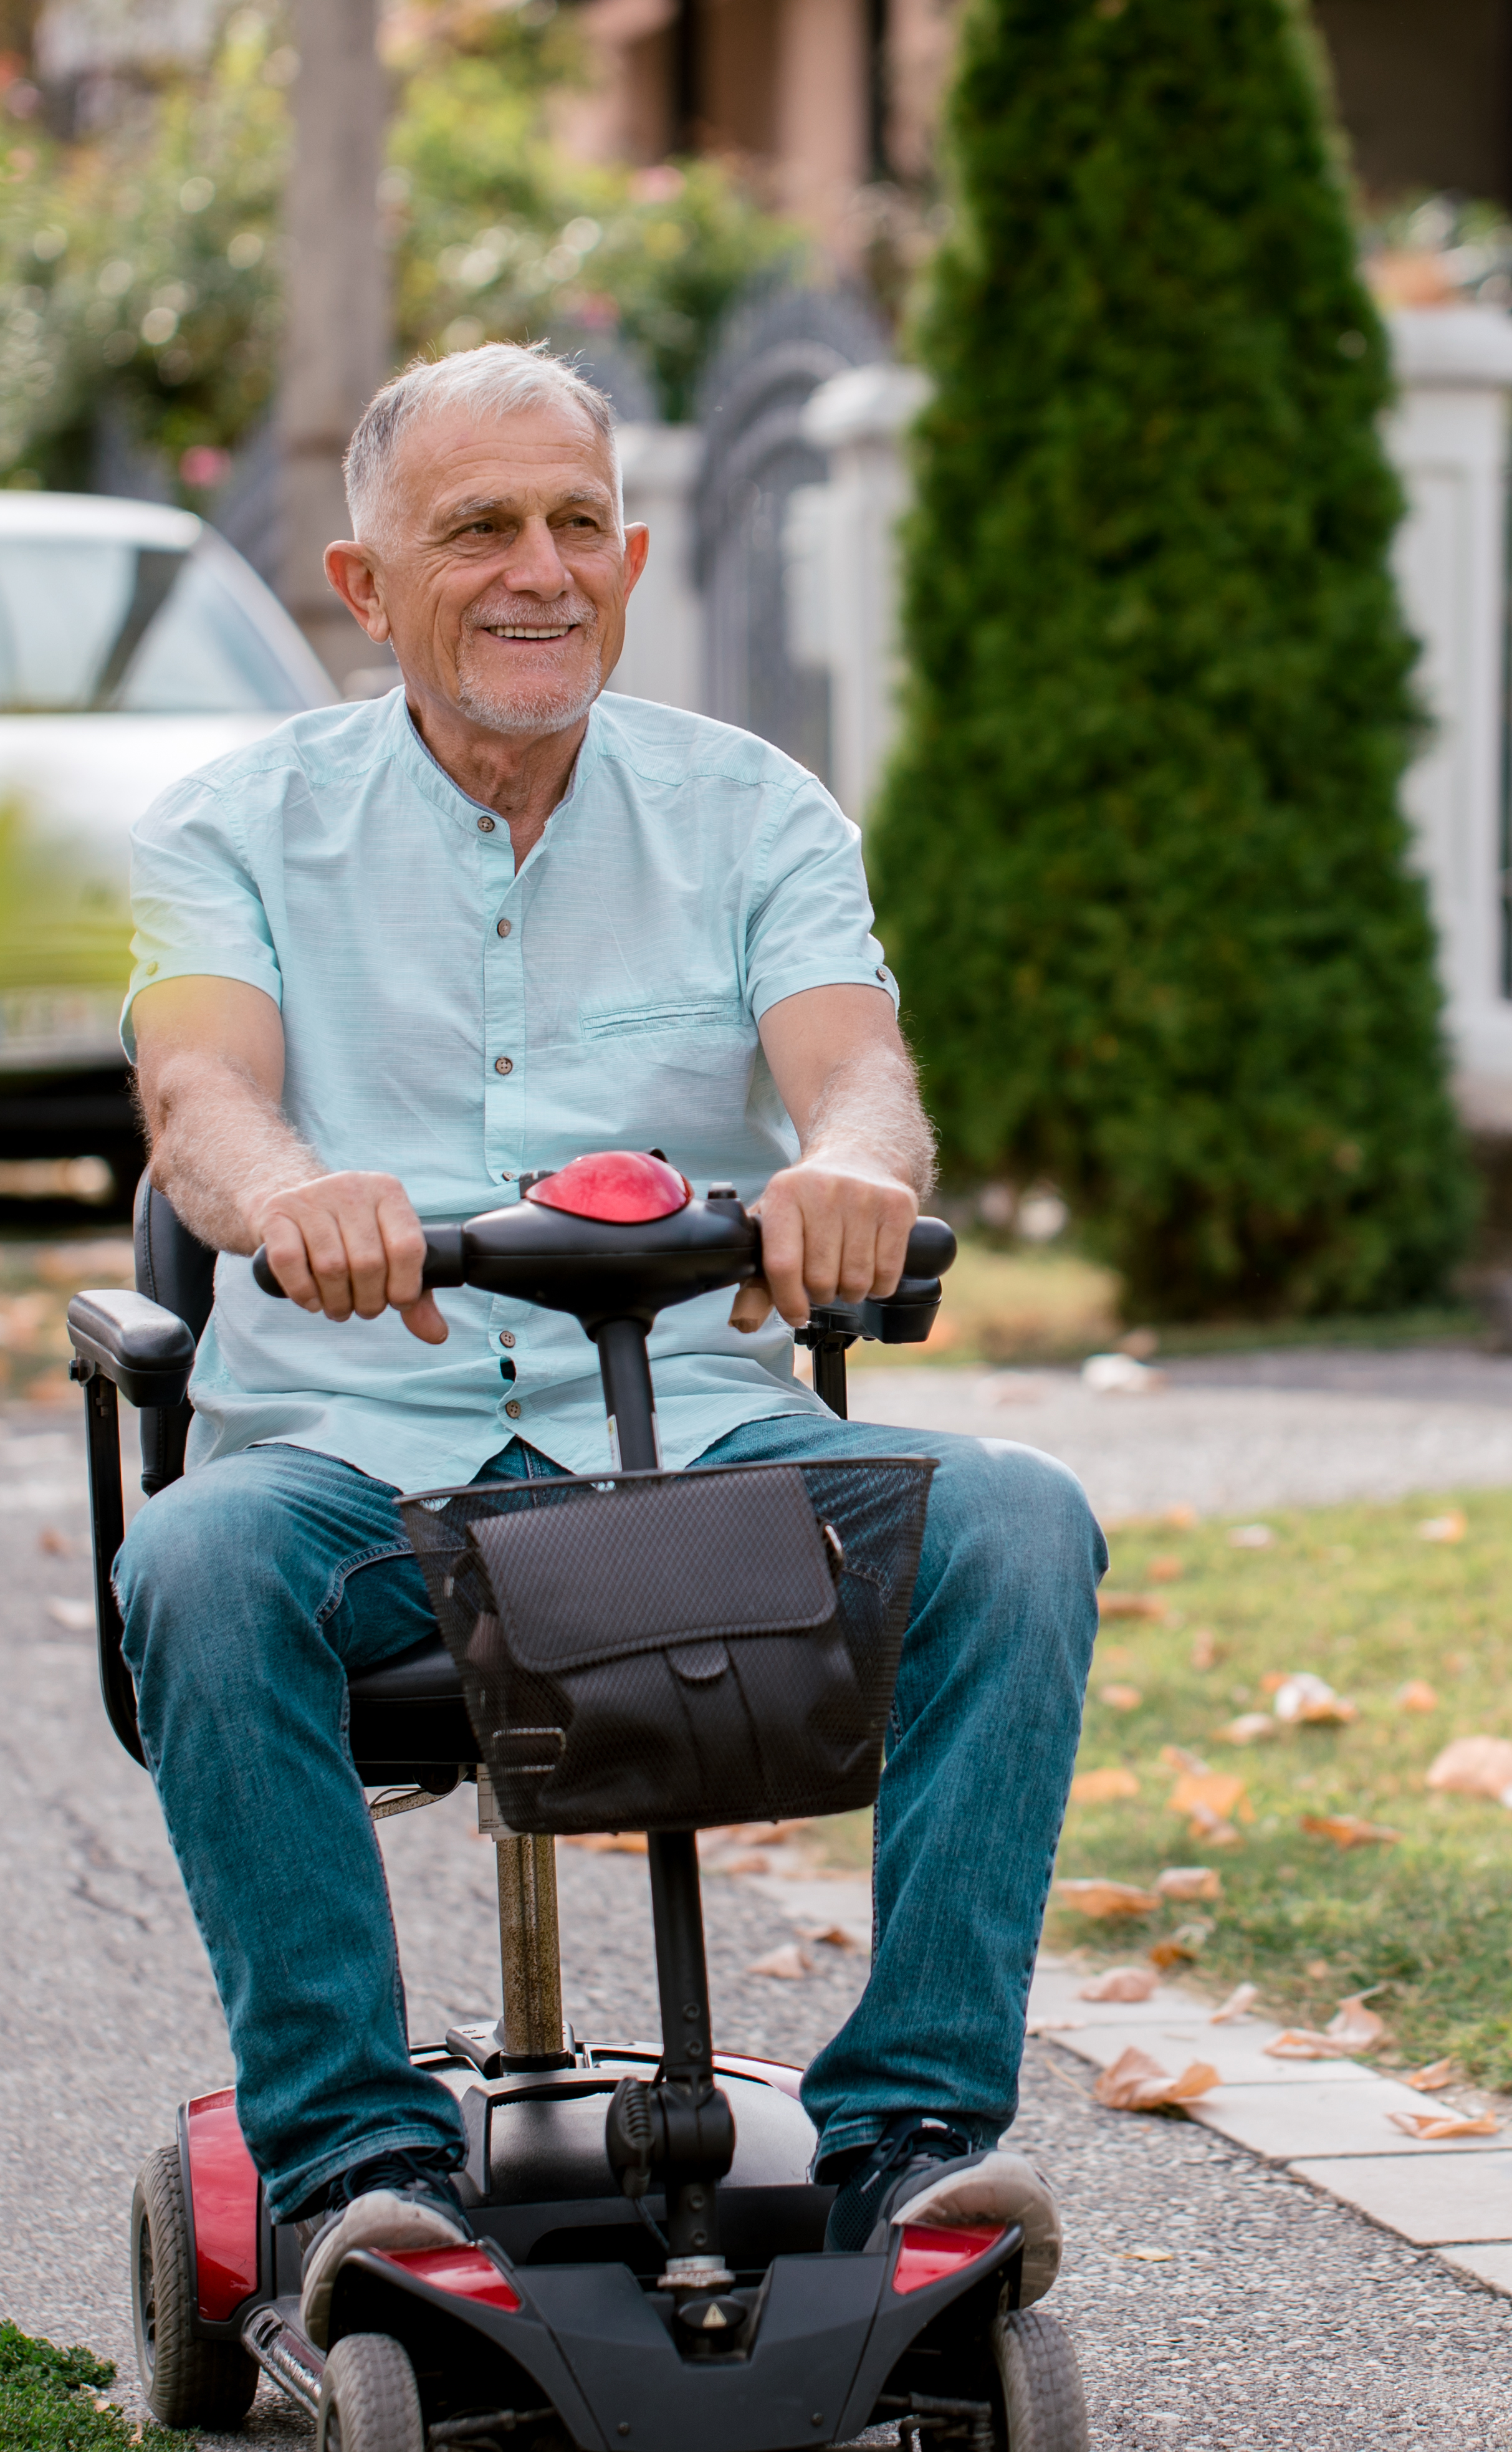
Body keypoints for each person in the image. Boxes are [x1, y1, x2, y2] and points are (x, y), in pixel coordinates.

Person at [115, 341, 1101, 2342]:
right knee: (196, 1559)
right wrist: (292, 1194)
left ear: (634, 556)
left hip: (690, 1458)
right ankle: (355, 2174)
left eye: (576, 524)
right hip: (353, 1470)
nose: (536, 569)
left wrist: (847, 1169)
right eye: (475, 528)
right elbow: (200, 1095)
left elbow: (862, 1072)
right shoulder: (233, 824)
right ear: (362, 582)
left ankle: (914, 2140)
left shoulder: (754, 811)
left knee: (1017, 1524)